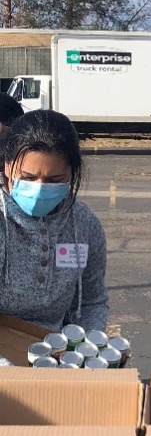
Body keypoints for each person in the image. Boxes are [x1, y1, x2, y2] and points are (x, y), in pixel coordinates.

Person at [0, 109, 108, 331]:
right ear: (8, 167)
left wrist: (88, 346)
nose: (39, 189)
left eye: (54, 179)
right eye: (28, 178)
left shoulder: (85, 225)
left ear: (70, 173)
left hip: (56, 346)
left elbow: (92, 302)